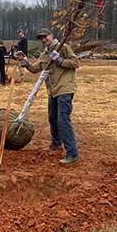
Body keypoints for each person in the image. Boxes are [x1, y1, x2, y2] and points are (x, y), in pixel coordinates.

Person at [17, 28, 80, 165]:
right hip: (52, 91)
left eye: (45, 37)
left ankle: (72, 153)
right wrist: (26, 63)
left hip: (65, 88)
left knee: (63, 120)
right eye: (41, 38)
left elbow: (76, 63)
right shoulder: (45, 53)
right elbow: (35, 68)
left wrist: (60, 61)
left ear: (51, 36)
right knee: (52, 118)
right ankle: (56, 143)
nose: (44, 40)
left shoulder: (63, 47)